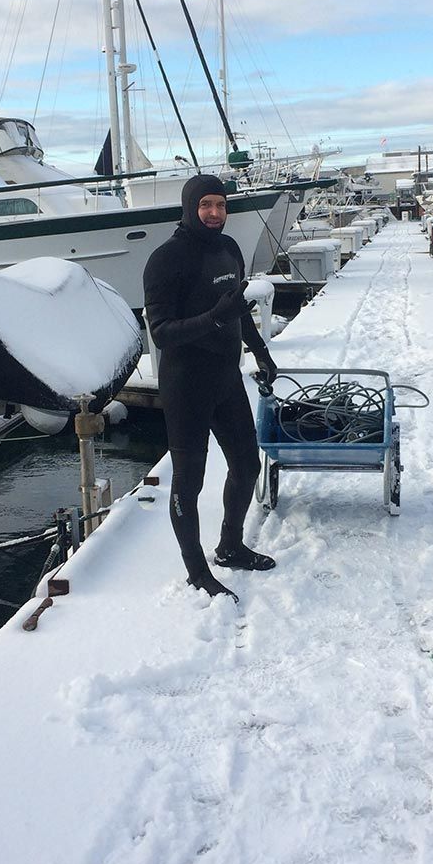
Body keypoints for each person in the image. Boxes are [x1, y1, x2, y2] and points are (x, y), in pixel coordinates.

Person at [143, 174, 278, 600]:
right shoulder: (165, 260)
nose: (215, 213)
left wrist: (259, 351)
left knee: (247, 465)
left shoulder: (229, 249)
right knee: (188, 481)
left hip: (225, 377)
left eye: (220, 205)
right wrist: (215, 318)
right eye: (206, 205)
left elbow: (237, 311)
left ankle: (230, 546)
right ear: (190, 207)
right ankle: (197, 571)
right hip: (186, 385)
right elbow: (162, 333)